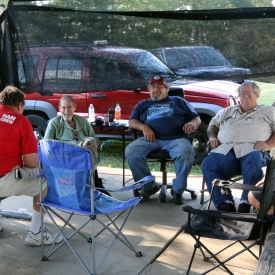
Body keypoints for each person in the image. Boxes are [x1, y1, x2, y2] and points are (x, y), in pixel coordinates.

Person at [0, 85, 63, 246]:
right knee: (42, 184)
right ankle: (36, 233)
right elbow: (31, 163)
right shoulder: (21, 120)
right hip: (3, 180)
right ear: (20, 105)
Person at [125, 76, 201, 205]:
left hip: (176, 139)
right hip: (150, 139)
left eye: (159, 87)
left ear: (166, 88)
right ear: (149, 89)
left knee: (186, 152)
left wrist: (193, 124)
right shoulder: (142, 104)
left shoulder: (178, 101)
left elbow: (196, 118)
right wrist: (144, 127)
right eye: (152, 87)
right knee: (131, 151)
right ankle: (148, 186)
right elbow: (132, 121)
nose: (156, 90)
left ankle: (177, 190)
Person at [202, 81, 275, 213]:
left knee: (255, 159)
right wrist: (212, 137)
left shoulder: (268, 111)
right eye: (242, 93)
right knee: (208, 164)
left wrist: (269, 144)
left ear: (257, 94)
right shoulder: (226, 111)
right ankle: (224, 202)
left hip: (252, 149)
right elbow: (213, 124)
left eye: (248, 93)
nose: (245, 96)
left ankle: (245, 201)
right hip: (226, 151)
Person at [44, 95, 110, 195]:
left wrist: (84, 146)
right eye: (63, 107)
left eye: (69, 107)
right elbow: (47, 145)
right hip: (65, 155)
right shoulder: (54, 123)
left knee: (90, 141)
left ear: (74, 107)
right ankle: (95, 181)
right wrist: (72, 146)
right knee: (89, 142)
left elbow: (96, 141)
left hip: (85, 154)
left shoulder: (83, 121)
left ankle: (87, 184)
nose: (66, 110)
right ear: (59, 108)